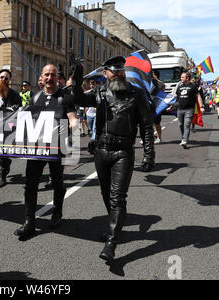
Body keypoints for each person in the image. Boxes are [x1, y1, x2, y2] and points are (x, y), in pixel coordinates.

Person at [71, 56, 155, 262]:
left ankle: (111, 242)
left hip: (123, 153)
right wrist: (78, 75)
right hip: (101, 151)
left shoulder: (137, 93)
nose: (117, 73)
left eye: (120, 69)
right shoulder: (99, 92)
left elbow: (146, 125)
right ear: (105, 74)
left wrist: (149, 154)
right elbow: (78, 99)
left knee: (118, 197)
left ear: (124, 73)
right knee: (106, 194)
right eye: (112, 70)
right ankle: (115, 229)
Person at [13, 64, 78, 239]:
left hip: (57, 148)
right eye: (46, 75)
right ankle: (29, 222)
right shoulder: (35, 98)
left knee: (57, 182)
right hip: (36, 149)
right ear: (41, 77)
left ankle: (57, 212)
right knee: (31, 184)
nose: (49, 78)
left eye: (53, 75)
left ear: (58, 78)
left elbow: (73, 121)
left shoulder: (66, 98)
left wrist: (69, 132)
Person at [174, 72, 205, 149]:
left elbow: (198, 96)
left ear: (187, 78)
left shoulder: (193, 86)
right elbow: (176, 98)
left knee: (187, 125)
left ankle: (184, 140)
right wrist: (171, 106)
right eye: (181, 77)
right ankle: (184, 137)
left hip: (189, 109)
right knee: (180, 125)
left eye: (182, 77)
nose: (181, 79)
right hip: (180, 109)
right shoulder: (179, 87)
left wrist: (201, 106)